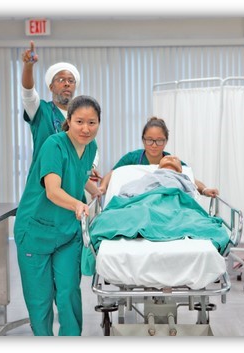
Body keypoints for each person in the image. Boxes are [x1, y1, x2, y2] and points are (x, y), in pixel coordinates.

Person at [14, 95, 101, 336]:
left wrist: (97, 191)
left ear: (99, 123)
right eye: (80, 121)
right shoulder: (53, 144)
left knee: (69, 292)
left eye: (92, 123)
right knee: (40, 299)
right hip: (35, 230)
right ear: (69, 121)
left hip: (66, 232)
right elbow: (52, 191)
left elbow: (79, 173)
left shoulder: (90, 146)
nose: (86, 128)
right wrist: (78, 204)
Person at [21, 40, 101, 197]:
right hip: (43, 187)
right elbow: (28, 93)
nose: (67, 84)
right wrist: (28, 66)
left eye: (71, 81)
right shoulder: (40, 110)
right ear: (51, 87)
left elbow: (89, 152)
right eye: (61, 80)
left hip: (73, 187)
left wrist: (90, 168)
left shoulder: (82, 118)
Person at [100, 117, 219, 197]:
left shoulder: (171, 161)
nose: (154, 145)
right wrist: (102, 188)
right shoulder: (132, 158)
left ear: (166, 141)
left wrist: (204, 190)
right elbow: (112, 174)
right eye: (149, 140)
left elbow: (190, 179)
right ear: (143, 140)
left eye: (159, 141)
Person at [118, 155, 197, 198]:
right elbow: (130, 189)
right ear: (159, 167)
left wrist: (204, 190)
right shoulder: (150, 176)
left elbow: (190, 193)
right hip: (146, 200)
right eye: (166, 158)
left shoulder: (184, 180)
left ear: (180, 171)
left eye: (175, 159)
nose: (170, 158)